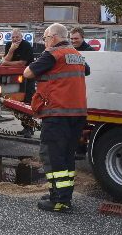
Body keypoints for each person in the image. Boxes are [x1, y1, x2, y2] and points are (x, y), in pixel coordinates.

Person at [23, 23, 89, 213]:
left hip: (57, 112)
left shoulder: (52, 54)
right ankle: (62, 193)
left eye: (45, 39)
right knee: (67, 156)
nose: (44, 43)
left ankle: (58, 200)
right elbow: (87, 71)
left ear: (53, 37)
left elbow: (27, 73)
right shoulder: (77, 55)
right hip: (77, 113)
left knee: (53, 156)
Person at [0, 28, 35, 138]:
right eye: (13, 37)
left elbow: (22, 63)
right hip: (15, 77)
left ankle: (29, 128)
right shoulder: (9, 45)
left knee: (27, 102)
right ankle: (25, 127)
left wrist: (6, 63)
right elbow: (6, 59)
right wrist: (11, 50)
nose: (15, 39)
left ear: (21, 37)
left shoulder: (26, 45)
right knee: (16, 103)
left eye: (17, 37)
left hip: (28, 77)